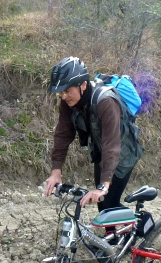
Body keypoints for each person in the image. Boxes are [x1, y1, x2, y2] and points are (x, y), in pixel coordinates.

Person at [43, 56, 144, 214]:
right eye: (61, 92)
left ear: (83, 85)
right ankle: (112, 238)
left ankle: (142, 224)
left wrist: (104, 186)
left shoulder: (105, 102)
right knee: (103, 206)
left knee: (108, 203)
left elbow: (112, 145)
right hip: (101, 150)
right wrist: (56, 171)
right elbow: (63, 134)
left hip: (122, 153)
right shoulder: (68, 101)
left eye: (67, 91)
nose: (63, 96)